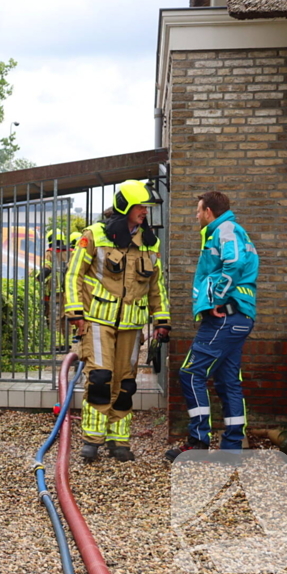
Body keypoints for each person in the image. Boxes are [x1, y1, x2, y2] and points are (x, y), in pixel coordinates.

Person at [64, 181, 171, 462]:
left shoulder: (150, 242)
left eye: (146, 208)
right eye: (140, 207)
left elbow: (157, 286)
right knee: (100, 378)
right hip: (98, 322)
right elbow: (73, 274)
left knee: (126, 383)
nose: (145, 212)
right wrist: (75, 312)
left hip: (133, 326)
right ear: (125, 207)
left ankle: (118, 441)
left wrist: (162, 319)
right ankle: (92, 441)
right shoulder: (94, 235)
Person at [166, 192, 259, 461]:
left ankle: (197, 441)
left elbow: (235, 262)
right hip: (238, 317)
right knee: (228, 380)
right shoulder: (227, 230)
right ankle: (232, 447)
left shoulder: (225, 229)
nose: (196, 216)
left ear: (208, 211)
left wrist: (218, 298)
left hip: (226, 317)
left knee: (190, 373)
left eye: (198, 210)